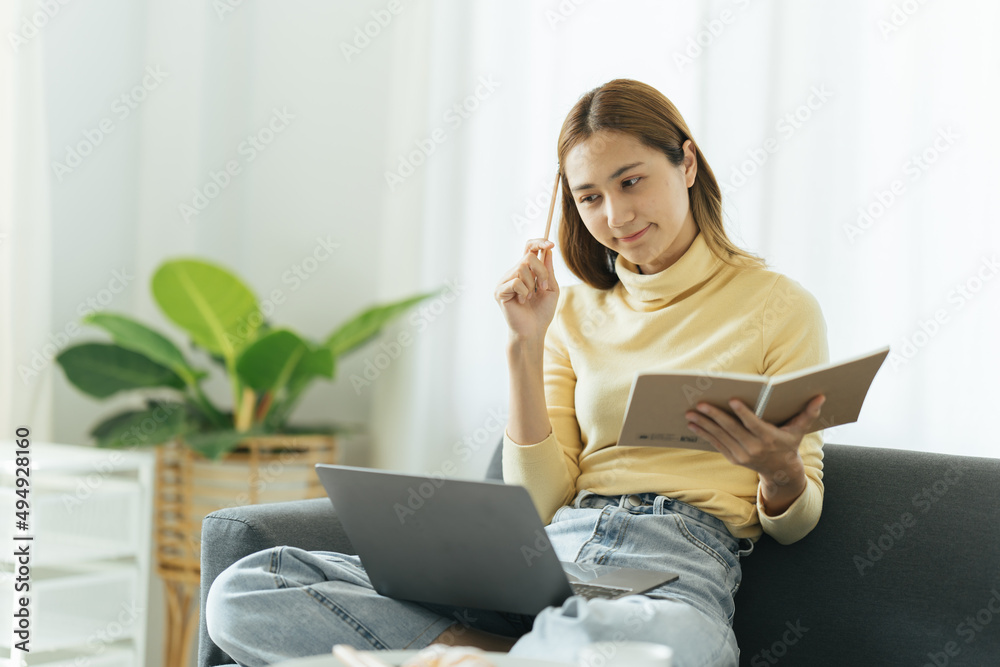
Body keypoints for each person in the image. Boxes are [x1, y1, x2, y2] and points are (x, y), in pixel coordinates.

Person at [205, 78, 829, 667]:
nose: (615, 215)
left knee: (656, 648)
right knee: (250, 587)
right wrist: (524, 347)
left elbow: (799, 522)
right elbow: (540, 501)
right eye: (589, 197)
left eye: (632, 181)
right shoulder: (575, 312)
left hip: (673, 569)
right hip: (551, 556)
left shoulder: (777, 306)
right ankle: (488, 651)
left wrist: (778, 471)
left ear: (686, 164)